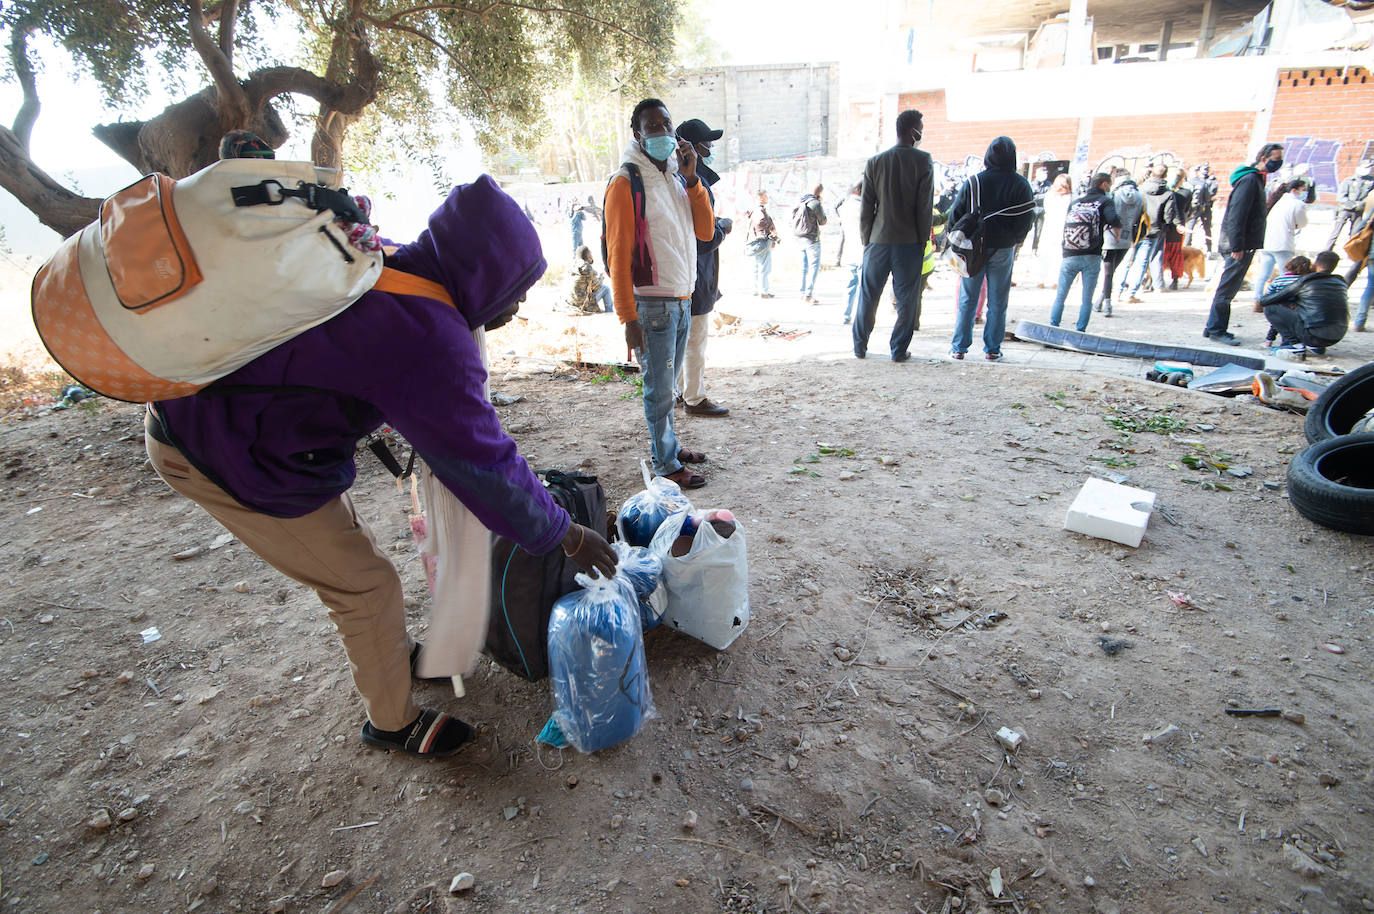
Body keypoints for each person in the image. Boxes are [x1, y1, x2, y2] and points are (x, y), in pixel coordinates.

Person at [145, 174, 617, 761]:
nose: (516, 306)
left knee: (353, 553)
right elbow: (483, 462)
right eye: (515, 289)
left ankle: (393, 655)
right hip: (219, 449)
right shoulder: (427, 334)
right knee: (364, 585)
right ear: (482, 272)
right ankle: (391, 723)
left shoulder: (388, 255)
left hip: (255, 432)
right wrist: (567, 534)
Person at [605, 98, 715, 489]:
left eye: (667, 124)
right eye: (652, 126)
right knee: (659, 387)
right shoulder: (626, 181)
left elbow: (704, 232)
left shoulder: (674, 175)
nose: (663, 132)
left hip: (682, 299)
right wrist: (627, 318)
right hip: (652, 304)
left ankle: (668, 447)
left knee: (669, 385)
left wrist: (693, 179)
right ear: (637, 133)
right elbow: (618, 255)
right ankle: (665, 463)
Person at [852, 109, 933, 362]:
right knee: (907, 299)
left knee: (868, 296)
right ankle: (898, 350)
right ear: (913, 131)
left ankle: (859, 347)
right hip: (909, 242)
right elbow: (924, 207)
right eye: (921, 127)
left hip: (877, 241)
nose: (922, 132)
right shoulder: (923, 160)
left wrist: (867, 239)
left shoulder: (875, 162)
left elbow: (867, 207)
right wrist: (923, 241)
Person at [947, 136, 1035, 361]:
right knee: (998, 300)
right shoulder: (1021, 184)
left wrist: (956, 241)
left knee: (968, 298)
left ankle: (959, 347)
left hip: (974, 249)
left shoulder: (974, 182)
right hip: (1004, 248)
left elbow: (955, 216)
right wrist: (1016, 239)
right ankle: (993, 349)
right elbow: (1027, 218)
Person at [675, 117, 732, 418]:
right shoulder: (694, 180)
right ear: (691, 146)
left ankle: (681, 392)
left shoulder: (676, 176)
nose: (710, 146)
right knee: (695, 341)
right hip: (696, 274)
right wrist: (723, 226)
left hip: (684, 274)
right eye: (706, 141)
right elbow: (704, 238)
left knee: (684, 340)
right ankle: (694, 399)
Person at [1204, 142, 1285, 345]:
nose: (1278, 163)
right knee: (1228, 288)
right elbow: (1237, 215)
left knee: (1229, 287)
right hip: (1238, 245)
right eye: (1276, 159)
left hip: (1241, 242)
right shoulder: (1250, 180)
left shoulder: (1254, 180)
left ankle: (1213, 327)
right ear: (1264, 158)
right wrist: (1237, 246)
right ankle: (1216, 329)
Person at [1048, 172, 1119, 332]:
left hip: (1070, 253)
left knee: (1061, 295)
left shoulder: (1076, 202)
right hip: (1091, 254)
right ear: (1104, 185)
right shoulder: (1105, 201)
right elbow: (1114, 220)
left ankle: (1053, 326)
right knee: (1086, 298)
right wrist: (1117, 234)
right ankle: (1080, 330)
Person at [1261, 250, 1349, 356]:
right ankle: (1316, 347)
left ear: (1315, 264)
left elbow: (1265, 301)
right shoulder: (1341, 283)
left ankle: (1295, 345)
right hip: (1338, 334)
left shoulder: (1305, 281)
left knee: (1270, 308)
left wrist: (1287, 304)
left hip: (1313, 335)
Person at [1253, 181, 1310, 310]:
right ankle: (1285, 301)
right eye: (1303, 189)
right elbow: (1302, 223)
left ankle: (1258, 300)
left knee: (1264, 275)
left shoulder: (1278, 203)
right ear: (1295, 190)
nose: (1304, 193)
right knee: (1286, 274)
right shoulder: (1298, 204)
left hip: (1267, 243)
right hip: (1283, 243)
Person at [1126, 165, 1179, 301]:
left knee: (1135, 258)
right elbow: (1168, 216)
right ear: (1166, 176)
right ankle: (1155, 285)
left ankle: (1125, 287)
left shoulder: (1141, 189)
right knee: (1154, 257)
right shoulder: (1168, 194)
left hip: (1138, 227)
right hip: (1156, 229)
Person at [1096, 168, 1142, 317]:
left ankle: (1107, 303)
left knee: (1108, 273)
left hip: (1111, 235)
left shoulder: (1113, 194)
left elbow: (1108, 215)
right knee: (1112, 271)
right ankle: (1101, 300)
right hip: (1126, 237)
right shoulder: (1139, 196)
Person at [1262, 255, 1314, 345]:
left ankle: (1269, 340)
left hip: (1280, 306)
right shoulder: (1304, 281)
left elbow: (1268, 295)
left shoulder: (1279, 279)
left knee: (1276, 322)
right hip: (1297, 308)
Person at [1327, 159, 1374, 251]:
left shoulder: (1371, 181)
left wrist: (1360, 205)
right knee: (1336, 232)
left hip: (1359, 211)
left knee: (1355, 233)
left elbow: (1370, 196)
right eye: (1366, 167)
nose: (1368, 169)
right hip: (1345, 209)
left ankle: (1352, 251)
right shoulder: (1348, 180)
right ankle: (1327, 250)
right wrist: (1353, 205)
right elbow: (1341, 197)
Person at [794, 185, 827, 303]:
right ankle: (808, 294)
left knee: (803, 267)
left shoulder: (800, 201)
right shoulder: (815, 203)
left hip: (799, 238)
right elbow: (823, 221)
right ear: (819, 192)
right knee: (814, 267)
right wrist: (820, 204)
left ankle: (802, 292)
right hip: (812, 239)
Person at [744, 190, 779, 298]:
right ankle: (764, 291)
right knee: (764, 267)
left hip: (755, 242)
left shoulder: (754, 210)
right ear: (760, 198)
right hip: (762, 242)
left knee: (757, 267)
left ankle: (756, 289)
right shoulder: (760, 210)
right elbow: (761, 222)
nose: (766, 197)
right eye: (765, 196)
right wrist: (771, 230)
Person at [1038, 175, 1071, 287]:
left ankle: (1055, 280)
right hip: (1050, 226)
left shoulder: (1070, 197)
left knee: (1058, 254)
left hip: (1062, 227)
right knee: (1044, 253)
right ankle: (1041, 278)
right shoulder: (1050, 196)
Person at [838, 181, 863, 325]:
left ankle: (845, 315)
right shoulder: (863, 207)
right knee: (862, 287)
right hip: (862, 251)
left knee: (849, 285)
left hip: (849, 250)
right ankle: (860, 317)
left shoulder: (844, 207)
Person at [1164, 167, 1192, 290]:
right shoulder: (1186, 193)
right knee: (1175, 253)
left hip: (1164, 224)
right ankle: (1174, 279)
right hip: (1179, 225)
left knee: (1162, 252)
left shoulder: (1164, 191)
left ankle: (1155, 280)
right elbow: (1188, 211)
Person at [569, 245, 613, 313]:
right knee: (606, 289)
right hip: (583, 303)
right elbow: (597, 286)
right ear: (588, 256)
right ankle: (609, 312)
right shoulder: (587, 268)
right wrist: (601, 279)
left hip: (573, 301)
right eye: (590, 254)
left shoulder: (574, 265)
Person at [1186, 163, 1218, 252]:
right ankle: (1209, 249)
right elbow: (1208, 197)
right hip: (1203, 206)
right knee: (1206, 228)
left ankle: (1187, 247)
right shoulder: (1202, 182)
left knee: (1190, 228)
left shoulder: (1189, 182)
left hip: (1195, 207)